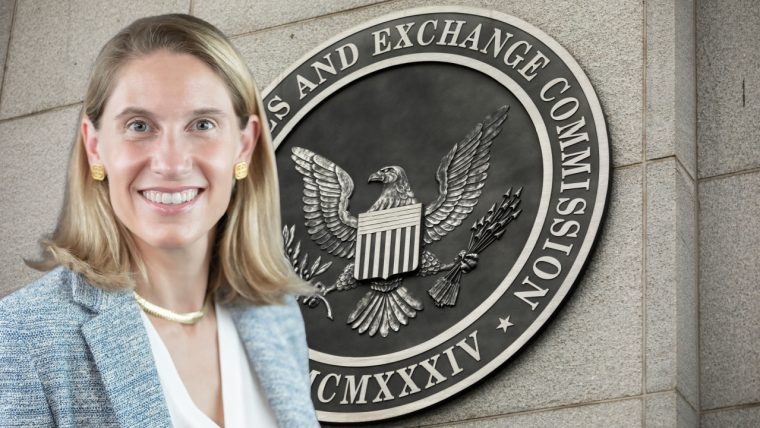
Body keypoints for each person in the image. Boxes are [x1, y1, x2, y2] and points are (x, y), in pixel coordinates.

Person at [0, 13, 318, 427]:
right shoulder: (21, 337)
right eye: (139, 126)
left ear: (244, 145)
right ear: (95, 147)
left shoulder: (276, 316)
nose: (171, 163)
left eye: (202, 124)